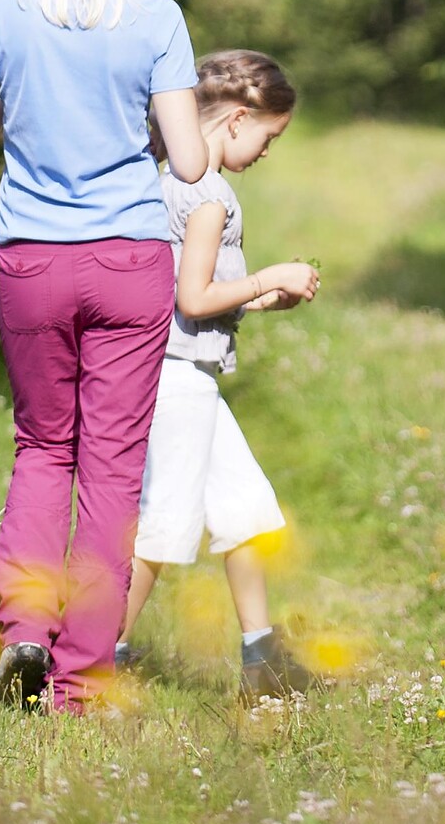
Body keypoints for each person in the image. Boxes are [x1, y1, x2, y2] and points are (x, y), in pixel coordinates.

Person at [0, 0, 210, 713]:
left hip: (31, 259)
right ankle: (81, 682)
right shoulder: (156, 17)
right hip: (130, 260)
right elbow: (194, 162)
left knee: (41, 446)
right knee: (111, 468)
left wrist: (3, 128)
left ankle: (22, 621)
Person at [115, 49, 323, 701]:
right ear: (237, 119)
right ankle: (97, 660)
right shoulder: (207, 192)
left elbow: (191, 290)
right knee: (164, 525)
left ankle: (263, 658)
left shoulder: (169, 176)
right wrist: (271, 276)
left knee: (246, 508)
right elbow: (194, 300)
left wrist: (260, 299)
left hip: (181, 369)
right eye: (269, 136)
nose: (267, 151)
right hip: (177, 379)